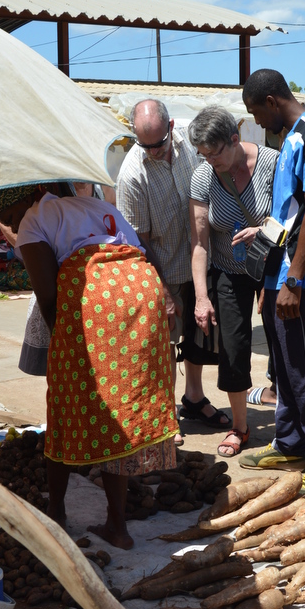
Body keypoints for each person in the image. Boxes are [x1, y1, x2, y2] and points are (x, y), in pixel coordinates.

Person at [0, 184, 178, 550]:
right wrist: (165, 294)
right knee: (119, 407)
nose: (11, 226)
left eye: (9, 217)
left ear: (24, 200)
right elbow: (140, 248)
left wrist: (63, 346)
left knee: (64, 407)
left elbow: (48, 296)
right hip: (142, 292)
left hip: (96, 299)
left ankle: (58, 513)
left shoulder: (33, 220)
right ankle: (117, 525)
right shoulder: (91, 204)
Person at [239, 69, 305, 498]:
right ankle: (291, 442)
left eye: (255, 112)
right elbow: (290, 213)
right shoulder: (290, 137)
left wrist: (295, 278)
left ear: (271, 101)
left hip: (304, 275)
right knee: (286, 366)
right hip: (279, 268)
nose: (256, 122)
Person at [117, 99, 230, 447]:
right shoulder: (132, 174)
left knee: (198, 339)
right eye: (145, 145)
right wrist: (163, 291)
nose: (152, 151)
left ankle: (193, 398)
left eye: (158, 144)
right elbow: (138, 241)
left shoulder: (190, 143)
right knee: (164, 344)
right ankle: (166, 413)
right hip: (162, 268)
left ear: (170, 127)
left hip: (201, 260)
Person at [186, 106, 279, 456]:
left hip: (273, 267)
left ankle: (293, 422)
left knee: (283, 343)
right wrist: (201, 297)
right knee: (234, 347)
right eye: (203, 155)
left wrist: (263, 230)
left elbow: (295, 216)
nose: (210, 161)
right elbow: (199, 244)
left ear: (235, 139)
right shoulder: (203, 177)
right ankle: (240, 426)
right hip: (229, 269)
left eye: (215, 153)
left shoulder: (272, 163)